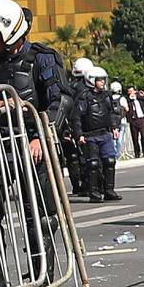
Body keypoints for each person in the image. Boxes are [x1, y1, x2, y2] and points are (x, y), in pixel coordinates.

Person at [0, 0, 73, 287]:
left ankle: (44, 283)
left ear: (11, 33)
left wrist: (43, 135)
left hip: (33, 144)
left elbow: (61, 101)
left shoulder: (43, 58)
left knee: (41, 217)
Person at [73, 67, 122, 203]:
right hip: (90, 136)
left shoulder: (106, 96)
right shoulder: (84, 97)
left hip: (105, 134)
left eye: (103, 80)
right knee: (93, 164)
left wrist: (114, 127)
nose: (102, 83)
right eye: (100, 80)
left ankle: (109, 190)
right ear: (91, 81)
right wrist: (79, 135)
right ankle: (93, 192)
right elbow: (77, 117)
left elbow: (112, 113)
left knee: (110, 161)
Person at [63, 57, 93, 195]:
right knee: (86, 156)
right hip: (84, 126)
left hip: (71, 125)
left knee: (73, 157)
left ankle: (78, 185)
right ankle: (87, 185)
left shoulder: (69, 87)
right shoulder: (88, 90)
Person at [126, 86, 144, 158]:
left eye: (132, 91)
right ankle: (137, 153)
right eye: (129, 91)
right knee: (135, 137)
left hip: (141, 119)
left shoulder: (139, 98)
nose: (131, 93)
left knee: (143, 136)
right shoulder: (127, 100)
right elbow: (125, 105)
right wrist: (130, 98)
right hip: (133, 120)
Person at [110, 80, 129, 157]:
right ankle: (117, 155)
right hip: (121, 120)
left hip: (111, 121)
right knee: (120, 139)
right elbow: (127, 109)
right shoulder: (122, 99)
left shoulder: (109, 98)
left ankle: (113, 154)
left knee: (113, 139)